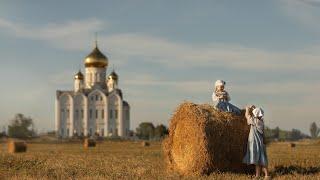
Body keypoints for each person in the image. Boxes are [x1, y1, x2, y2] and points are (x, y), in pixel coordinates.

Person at [243, 105, 270, 179]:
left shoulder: (254, 120)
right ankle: (259, 175)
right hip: (260, 142)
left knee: (258, 159)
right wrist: (254, 109)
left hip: (254, 143)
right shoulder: (261, 122)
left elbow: (247, 115)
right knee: (260, 159)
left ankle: (266, 175)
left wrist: (247, 108)